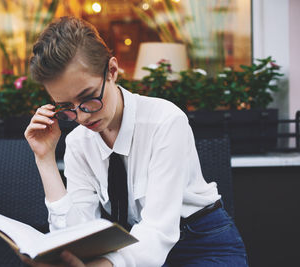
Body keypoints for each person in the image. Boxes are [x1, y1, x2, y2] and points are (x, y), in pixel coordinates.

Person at [24, 16, 248, 267]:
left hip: (201, 244)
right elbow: (78, 233)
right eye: (66, 107)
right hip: (132, 250)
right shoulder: (78, 142)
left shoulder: (165, 121)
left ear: (112, 71)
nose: (82, 116)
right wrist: (44, 159)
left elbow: (157, 230)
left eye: (87, 97)